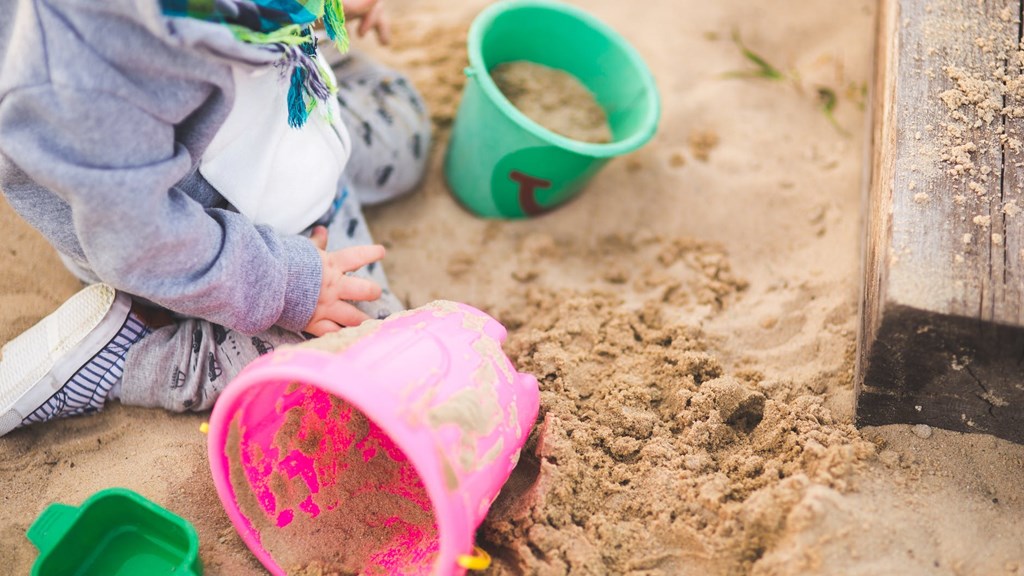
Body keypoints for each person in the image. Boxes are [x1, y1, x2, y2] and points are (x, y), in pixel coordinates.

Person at [0, 0, 431, 436]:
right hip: (214, 246)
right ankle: (131, 355)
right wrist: (288, 284)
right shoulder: (81, 72)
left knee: (406, 131)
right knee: (369, 349)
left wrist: (316, 11)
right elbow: (142, 243)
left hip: (284, 124)